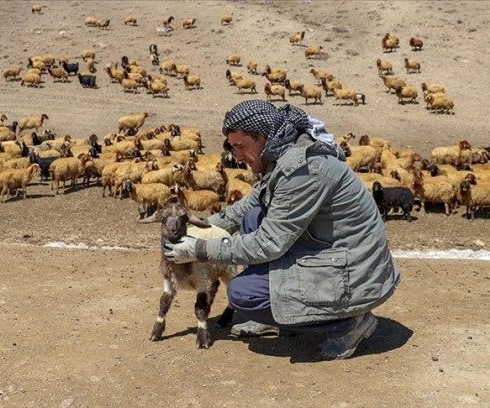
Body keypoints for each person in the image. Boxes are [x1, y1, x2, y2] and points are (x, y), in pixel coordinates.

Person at [163, 100, 401, 360]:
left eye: (241, 147)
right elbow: (251, 205)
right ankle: (282, 317)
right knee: (254, 217)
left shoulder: (302, 170)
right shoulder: (283, 153)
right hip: (332, 251)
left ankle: (349, 323)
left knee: (243, 295)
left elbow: (268, 244)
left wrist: (200, 249)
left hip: (355, 271)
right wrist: (201, 226)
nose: (238, 157)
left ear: (262, 137)